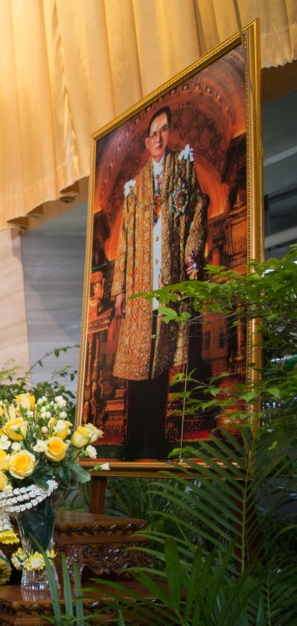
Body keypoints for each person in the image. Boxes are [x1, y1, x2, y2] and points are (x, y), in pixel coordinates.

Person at [111, 105, 209, 460]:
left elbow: (197, 210)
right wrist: (120, 289)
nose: (158, 138)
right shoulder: (135, 188)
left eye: (164, 130)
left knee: (161, 364)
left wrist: (191, 252)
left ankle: (157, 436)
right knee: (139, 367)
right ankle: (134, 438)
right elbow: (123, 241)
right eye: (152, 133)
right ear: (145, 141)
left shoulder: (183, 172)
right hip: (140, 287)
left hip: (168, 283)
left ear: (170, 133)